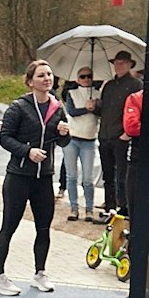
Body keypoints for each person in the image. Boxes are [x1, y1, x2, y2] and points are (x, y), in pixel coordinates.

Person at [0, 59, 70, 295]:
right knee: (9, 227)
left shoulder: (57, 107)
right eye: (41, 75)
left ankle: (40, 273)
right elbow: (4, 137)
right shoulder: (19, 107)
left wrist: (64, 134)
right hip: (18, 176)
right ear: (30, 81)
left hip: (44, 178)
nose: (47, 79)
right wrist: (28, 151)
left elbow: (63, 141)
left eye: (49, 74)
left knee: (44, 228)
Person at [93, 50, 141, 215]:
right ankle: (110, 207)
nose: (118, 66)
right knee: (107, 175)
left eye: (122, 63)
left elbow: (138, 111)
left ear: (129, 64)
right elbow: (104, 110)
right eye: (116, 63)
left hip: (121, 136)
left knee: (122, 175)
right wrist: (95, 106)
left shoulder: (136, 85)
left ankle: (124, 208)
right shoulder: (108, 86)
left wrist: (126, 134)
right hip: (105, 135)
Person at [59, 66, 100, 220]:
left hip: (89, 140)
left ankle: (89, 209)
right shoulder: (71, 93)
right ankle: (73, 208)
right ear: (77, 79)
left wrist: (94, 108)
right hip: (72, 138)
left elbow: (101, 111)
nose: (86, 79)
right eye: (82, 77)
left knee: (88, 178)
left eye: (89, 76)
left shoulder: (98, 94)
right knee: (71, 176)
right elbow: (72, 111)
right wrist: (87, 108)